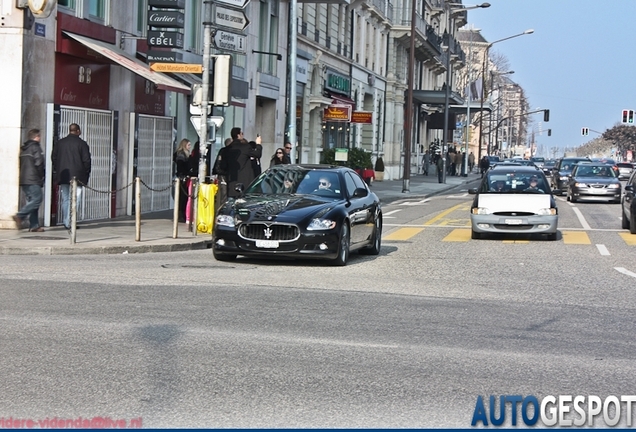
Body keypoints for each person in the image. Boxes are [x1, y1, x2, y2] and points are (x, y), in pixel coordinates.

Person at [51, 123, 91, 231]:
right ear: (78, 131)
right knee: (76, 198)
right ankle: (71, 221)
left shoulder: (60, 143)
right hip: (78, 176)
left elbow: (53, 157)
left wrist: (59, 169)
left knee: (66, 198)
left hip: (64, 175)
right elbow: (87, 161)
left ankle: (66, 221)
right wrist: (86, 174)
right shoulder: (82, 144)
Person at [13, 129, 45, 232]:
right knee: (37, 199)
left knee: (32, 201)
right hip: (33, 179)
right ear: (37, 137)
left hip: (24, 179)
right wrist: (41, 177)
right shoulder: (35, 147)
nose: (40, 138)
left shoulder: (24, 148)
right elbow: (39, 163)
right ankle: (20, 216)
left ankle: (34, 225)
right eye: (39, 136)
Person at [219, 127, 259, 198]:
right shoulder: (245, 147)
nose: (243, 135)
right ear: (238, 135)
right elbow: (257, 154)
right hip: (245, 183)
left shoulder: (226, 150)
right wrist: (258, 144)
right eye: (242, 133)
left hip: (231, 183)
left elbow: (222, 166)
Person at [173, 138, 191, 223]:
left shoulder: (184, 154)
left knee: (183, 197)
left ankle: (181, 214)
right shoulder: (181, 155)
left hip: (183, 177)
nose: (189, 147)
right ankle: (180, 214)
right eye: (188, 145)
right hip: (182, 178)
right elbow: (181, 167)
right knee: (182, 197)